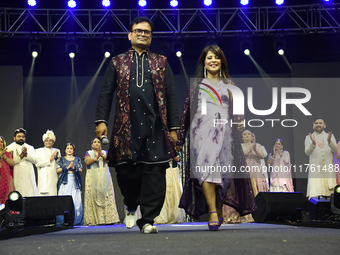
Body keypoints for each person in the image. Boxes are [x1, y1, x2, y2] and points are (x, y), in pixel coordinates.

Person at [95, 17, 179, 234]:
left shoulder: (161, 62)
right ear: (130, 35)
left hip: (156, 127)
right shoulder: (117, 62)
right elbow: (106, 93)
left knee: (155, 174)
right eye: (138, 31)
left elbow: (171, 95)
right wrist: (102, 120)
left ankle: (148, 220)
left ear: (151, 37)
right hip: (126, 128)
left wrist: (174, 128)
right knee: (126, 174)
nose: (143, 34)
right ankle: (131, 205)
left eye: (147, 32)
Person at [177, 45, 257, 230]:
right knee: (206, 170)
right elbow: (186, 113)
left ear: (221, 61)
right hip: (201, 131)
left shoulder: (230, 85)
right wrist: (180, 139)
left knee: (224, 174)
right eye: (209, 57)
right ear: (204, 62)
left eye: (216, 57)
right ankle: (212, 211)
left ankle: (219, 208)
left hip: (225, 133)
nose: (213, 60)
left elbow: (238, 113)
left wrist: (240, 121)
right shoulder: (197, 85)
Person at [83, 138, 120, 226]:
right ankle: (94, 220)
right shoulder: (89, 153)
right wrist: (96, 158)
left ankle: (108, 219)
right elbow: (87, 162)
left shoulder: (105, 153)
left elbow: (109, 161)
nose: (97, 143)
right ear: (92, 145)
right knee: (92, 195)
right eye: (95, 142)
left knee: (106, 195)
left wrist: (102, 156)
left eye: (98, 142)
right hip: (92, 176)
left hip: (104, 176)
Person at [305, 118, 338, 198]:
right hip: (316, 171)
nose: (318, 125)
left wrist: (330, 141)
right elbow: (307, 152)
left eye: (320, 123)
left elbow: (336, 150)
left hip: (328, 170)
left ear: (324, 125)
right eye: (316, 123)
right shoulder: (308, 137)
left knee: (330, 196)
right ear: (313, 126)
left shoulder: (330, 136)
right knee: (316, 195)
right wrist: (313, 144)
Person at [57, 143, 83, 225]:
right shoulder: (61, 159)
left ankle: (76, 221)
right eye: (67, 148)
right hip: (65, 181)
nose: (69, 150)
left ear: (73, 150)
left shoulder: (77, 159)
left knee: (76, 200)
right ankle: (63, 221)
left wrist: (74, 168)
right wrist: (67, 168)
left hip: (75, 181)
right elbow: (58, 170)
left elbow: (81, 169)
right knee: (64, 199)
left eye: (71, 148)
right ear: (65, 150)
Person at [7, 128, 38, 197]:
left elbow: (36, 160)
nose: (21, 138)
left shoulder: (30, 148)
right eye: (19, 136)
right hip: (16, 175)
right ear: (14, 138)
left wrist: (26, 154)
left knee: (29, 196)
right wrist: (20, 157)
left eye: (23, 137)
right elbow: (9, 163)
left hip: (28, 176)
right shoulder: (9, 148)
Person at [35, 130, 60, 196]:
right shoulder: (38, 151)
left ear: (53, 142)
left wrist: (57, 158)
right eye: (46, 140)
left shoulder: (57, 151)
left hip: (53, 179)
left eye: (50, 140)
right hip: (43, 178)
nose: (48, 142)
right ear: (44, 142)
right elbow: (38, 164)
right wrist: (49, 160)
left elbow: (59, 165)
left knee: (53, 198)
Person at [0, 136, 15, 204]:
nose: (0, 143)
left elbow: (12, 163)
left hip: (5, 178)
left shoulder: (6, 153)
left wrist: (4, 156)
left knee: (5, 196)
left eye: (1, 142)